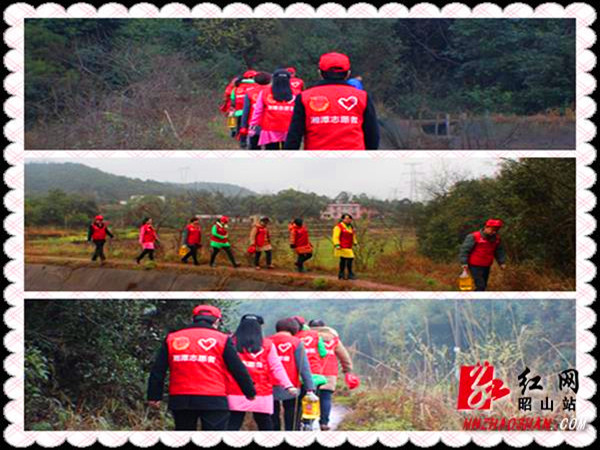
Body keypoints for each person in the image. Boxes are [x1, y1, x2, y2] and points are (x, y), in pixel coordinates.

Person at [147, 305, 256, 431]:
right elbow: (237, 368)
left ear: (193, 319)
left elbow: (158, 370)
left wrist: (154, 396)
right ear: (216, 321)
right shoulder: (222, 339)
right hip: (214, 398)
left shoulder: (173, 338)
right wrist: (250, 391)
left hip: (181, 399)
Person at [284, 52, 379, 150]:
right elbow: (372, 135)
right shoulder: (362, 97)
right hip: (354, 161)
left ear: (320, 73)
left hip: (315, 161)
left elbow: (294, 136)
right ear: (348, 74)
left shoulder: (304, 97)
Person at [226, 314, 298, 431]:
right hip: (262, 391)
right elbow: (276, 367)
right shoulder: (267, 345)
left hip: (235, 390)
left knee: (233, 423)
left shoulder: (230, 343)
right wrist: (288, 385)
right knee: (265, 423)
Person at [269, 317, 318, 431]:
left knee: (273, 416)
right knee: (291, 416)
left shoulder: (267, 341)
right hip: (291, 385)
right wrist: (310, 387)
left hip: (270, 384)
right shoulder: (296, 342)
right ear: (294, 329)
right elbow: (303, 367)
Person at [309, 319, 355, 431]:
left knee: (309, 397)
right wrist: (347, 370)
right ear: (325, 326)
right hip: (329, 372)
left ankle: (307, 423)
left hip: (311, 372)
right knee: (325, 397)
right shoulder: (333, 339)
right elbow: (344, 356)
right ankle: (324, 423)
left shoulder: (307, 338)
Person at [249, 68, 296, 150]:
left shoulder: (264, 93)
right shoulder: (297, 93)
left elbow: (258, 111)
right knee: (289, 155)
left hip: (270, 129)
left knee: (272, 154)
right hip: (290, 129)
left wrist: (253, 125)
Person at [459, 218, 507, 291]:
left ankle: (472, 300)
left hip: (487, 265)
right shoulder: (474, 236)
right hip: (474, 265)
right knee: (480, 286)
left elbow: (499, 251)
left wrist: (502, 262)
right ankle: (476, 301)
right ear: (486, 227)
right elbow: (465, 250)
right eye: (492, 230)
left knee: (483, 285)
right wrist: (464, 262)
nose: (494, 232)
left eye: (496, 230)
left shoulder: (496, 239)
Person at [240, 72, 272, 149]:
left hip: (254, 125)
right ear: (269, 81)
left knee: (254, 149)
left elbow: (246, 111)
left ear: (255, 80)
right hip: (270, 125)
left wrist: (243, 126)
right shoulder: (273, 92)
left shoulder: (249, 93)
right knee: (271, 150)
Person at [230, 70, 258, 145]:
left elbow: (232, 99)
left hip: (239, 111)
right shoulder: (256, 87)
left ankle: (241, 141)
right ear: (252, 77)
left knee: (240, 126)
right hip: (252, 111)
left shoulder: (236, 87)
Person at [332, 213, 358, 280]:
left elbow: (353, 236)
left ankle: (341, 274)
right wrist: (337, 244)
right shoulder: (338, 227)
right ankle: (349, 274)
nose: (348, 220)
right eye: (346, 218)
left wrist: (355, 243)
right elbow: (335, 236)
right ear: (343, 219)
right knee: (350, 258)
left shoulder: (350, 227)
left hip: (348, 246)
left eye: (349, 219)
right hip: (342, 247)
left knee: (343, 260)